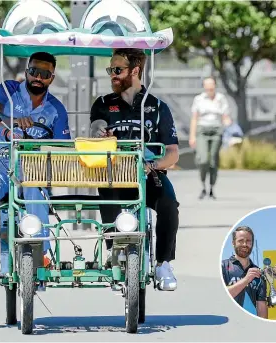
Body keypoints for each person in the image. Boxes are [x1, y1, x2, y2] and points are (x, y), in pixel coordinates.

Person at [0, 52, 71, 281]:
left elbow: (62, 148)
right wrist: (13, 123)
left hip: (32, 168)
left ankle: (41, 252)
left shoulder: (56, 110)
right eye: (34, 71)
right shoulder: (5, 91)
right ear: (26, 72)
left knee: (34, 189)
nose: (38, 77)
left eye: (44, 74)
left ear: (52, 78)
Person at [90, 48, 180, 291]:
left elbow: (173, 152)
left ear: (135, 71)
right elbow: (96, 126)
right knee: (107, 195)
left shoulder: (158, 107)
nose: (113, 75)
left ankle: (163, 263)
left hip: (148, 174)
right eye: (111, 70)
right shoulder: (102, 103)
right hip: (115, 174)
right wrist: (99, 133)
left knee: (170, 204)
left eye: (118, 70)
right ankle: (113, 254)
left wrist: (153, 166)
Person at [189, 77, 231, 200]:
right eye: (207, 87)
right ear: (204, 87)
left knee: (213, 160)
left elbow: (225, 116)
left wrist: (229, 125)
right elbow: (194, 118)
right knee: (203, 160)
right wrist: (192, 136)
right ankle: (203, 185)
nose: (209, 89)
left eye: (211, 86)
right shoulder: (199, 99)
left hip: (217, 130)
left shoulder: (221, 99)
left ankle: (211, 187)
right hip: (202, 130)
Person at [221, 226, 268, 318]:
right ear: (233, 243)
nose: (245, 244)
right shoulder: (222, 266)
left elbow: (261, 306)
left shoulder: (258, 272)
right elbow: (220, 297)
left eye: (248, 241)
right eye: (241, 241)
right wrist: (246, 280)